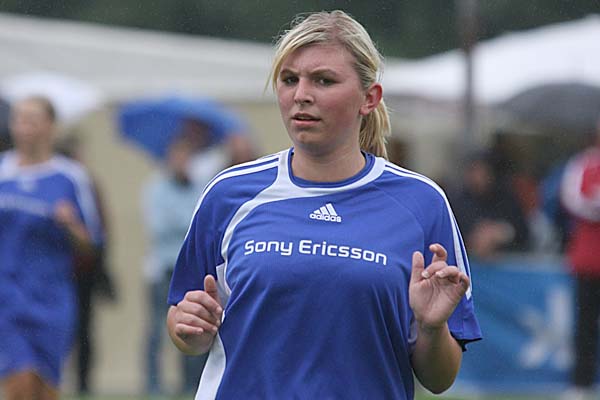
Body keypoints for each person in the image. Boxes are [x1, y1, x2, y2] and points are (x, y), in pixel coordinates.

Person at [166, 10, 481, 399]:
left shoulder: (422, 204)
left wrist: (432, 329)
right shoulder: (229, 194)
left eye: (323, 80)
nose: (301, 94)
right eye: (289, 79)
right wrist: (188, 327)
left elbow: (439, 379)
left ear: (369, 98)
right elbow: (185, 322)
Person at [0, 96, 102, 400]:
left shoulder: (71, 177)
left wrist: (70, 225)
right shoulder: (3, 172)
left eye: (32, 120)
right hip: (7, 295)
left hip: (52, 297)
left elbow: (92, 243)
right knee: (20, 380)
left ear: (51, 127)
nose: (24, 127)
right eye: (19, 119)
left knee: (45, 388)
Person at [142, 132, 210, 395]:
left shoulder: (200, 187)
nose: (182, 161)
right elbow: (160, 226)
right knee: (157, 329)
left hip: (190, 269)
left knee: (190, 326)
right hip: (163, 269)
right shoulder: (156, 188)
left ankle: (190, 383)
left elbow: (204, 225)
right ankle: (153, 384)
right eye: (178, 156)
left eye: (186, 156)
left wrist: (185, 221)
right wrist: (188, 220)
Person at [55, 135, 117, 395]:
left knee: (83, 330)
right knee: (61, 329)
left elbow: (98, 230)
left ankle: (83, 384)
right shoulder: (60, 183)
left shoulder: (88, 184)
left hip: (84, 270)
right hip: (58, 271)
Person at [560, 117, 600, 400]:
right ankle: (581, 383)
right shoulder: (582, 164)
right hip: (588, 260)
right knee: (585, 324)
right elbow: (571, 198)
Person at [451, 152, 529, 260]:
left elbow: (523, 231)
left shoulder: (506, 198)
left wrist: (501, 232)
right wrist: (475, 237)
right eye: (474, 171)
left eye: (482, 172)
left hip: (505, 263)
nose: (478, 177)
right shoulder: (458, 201)